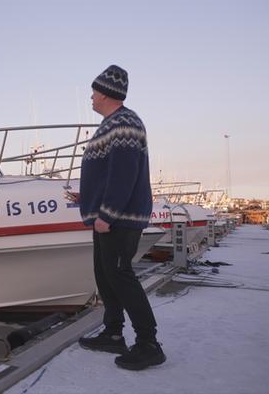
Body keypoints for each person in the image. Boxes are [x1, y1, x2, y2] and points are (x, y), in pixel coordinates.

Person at [69, 65, 165, 371]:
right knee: (105, 275)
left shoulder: (124, 123)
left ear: (107, 93)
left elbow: (124, 174)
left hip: (118, 218)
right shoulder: (113, 124)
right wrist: (88, 200)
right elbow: (109, 174)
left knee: (121, 276)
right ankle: (112, 332)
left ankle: (149, 344)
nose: (91, 97)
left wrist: (107, 213)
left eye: (94, 91)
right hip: (109, 215)